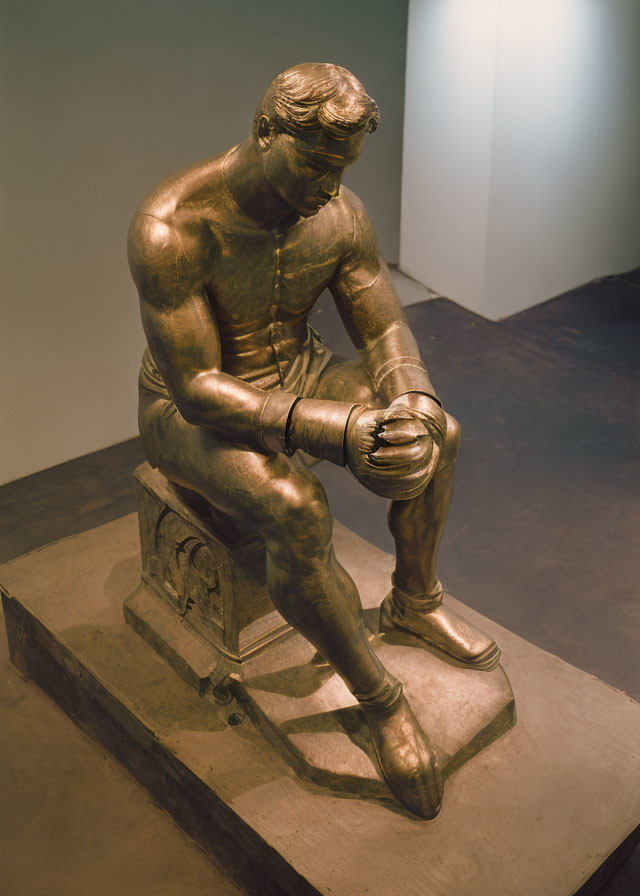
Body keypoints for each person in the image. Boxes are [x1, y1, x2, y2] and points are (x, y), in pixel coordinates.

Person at [127, 62, 499, 819]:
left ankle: (413, 601)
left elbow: (384, 325)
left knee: (442, 436)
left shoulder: (337, 213)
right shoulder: (172, 226)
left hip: (291, 372)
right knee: (296, 508)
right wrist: (336, 430)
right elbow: (198, 387)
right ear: (267, 132)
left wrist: (411, 403)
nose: (330, 186)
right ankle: (381, 700)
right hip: (187, 408)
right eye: (317, 164)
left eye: (342, 168)